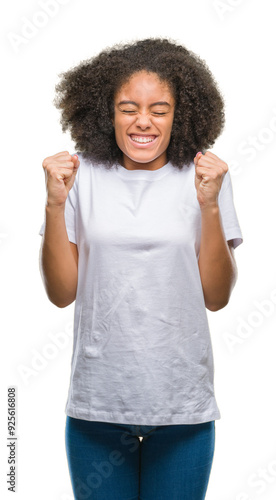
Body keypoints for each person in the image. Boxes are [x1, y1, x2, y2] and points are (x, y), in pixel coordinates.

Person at [39, 38, 243, 500]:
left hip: (182, 406)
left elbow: (217, 296)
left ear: (182, 114)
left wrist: (209, 204)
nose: (143, 122)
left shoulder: (204, 176)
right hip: (98, 405)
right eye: (128, 108)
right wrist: (54, 204)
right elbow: (60, 292)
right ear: (105, 113)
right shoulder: (80, 174)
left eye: (160, 109)